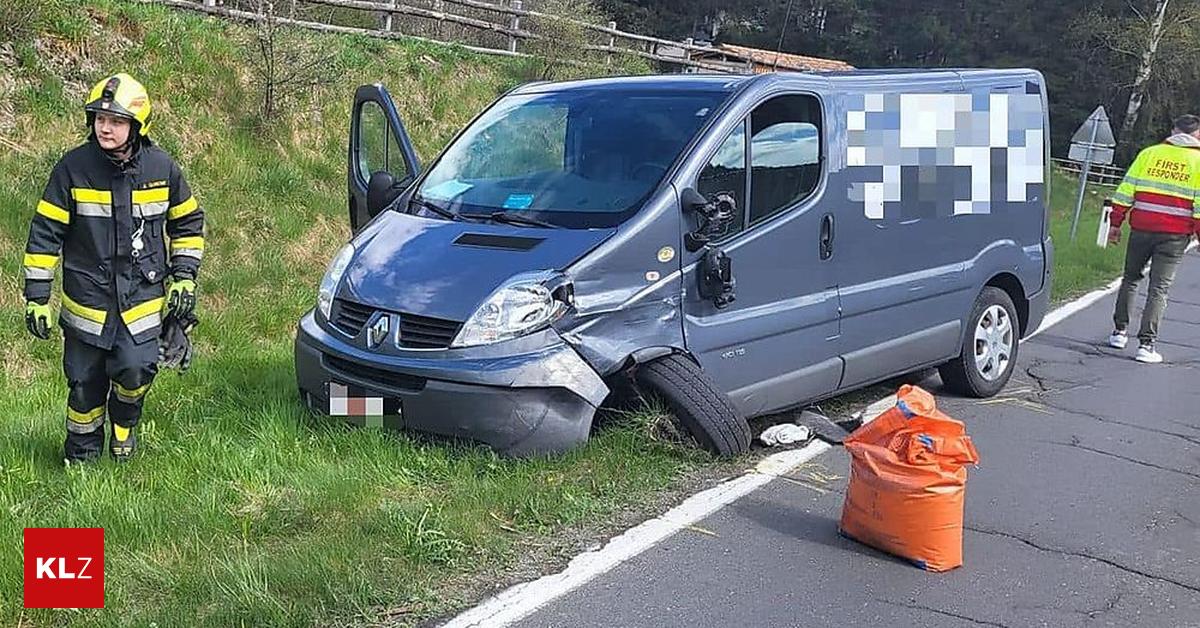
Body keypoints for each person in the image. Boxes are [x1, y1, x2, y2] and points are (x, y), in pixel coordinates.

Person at [22, 73, 205, 463]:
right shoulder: (72, 169)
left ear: (137, 126)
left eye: (117, 121)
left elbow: (187, 223)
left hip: (141, 301)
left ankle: (124, 427)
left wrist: (184, 275)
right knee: (84, 386)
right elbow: (44, 234)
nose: (106, 127)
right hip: (88, 304)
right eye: (100, 119)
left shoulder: (163, 168)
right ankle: (82, 458)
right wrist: (37, 296)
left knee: (137, 372)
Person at [1107, 114, 1200, 363]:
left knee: (1131, 278)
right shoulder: (1198, 162)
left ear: (1173, 130)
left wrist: (1115, 224)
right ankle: (1146, 345)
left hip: (1141, 228)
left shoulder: (1149, 154)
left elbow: (1126, 190)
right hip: (1174, 235)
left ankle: (1119, 332)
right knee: (1159, 288)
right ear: (1196, 135)